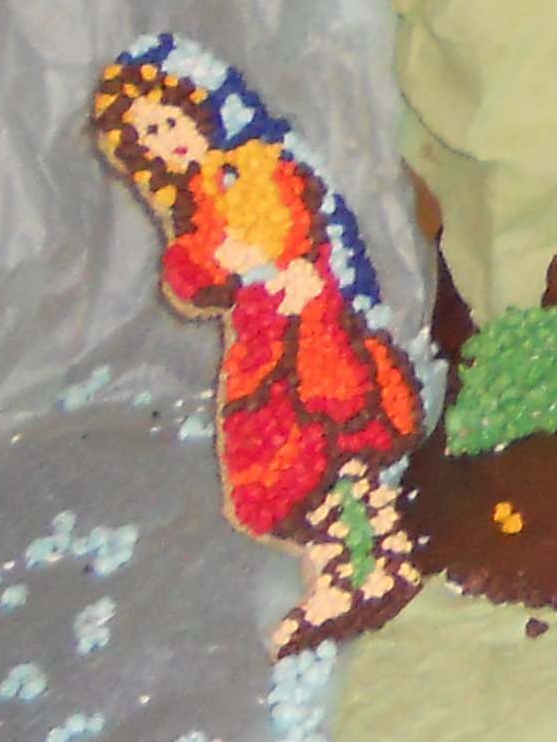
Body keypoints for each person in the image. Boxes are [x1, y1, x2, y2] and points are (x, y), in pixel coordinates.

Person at [87, 34, 426, 654]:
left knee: (334, 447)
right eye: (149, 134)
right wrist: (218, 260)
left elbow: (302, 227)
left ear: (199, 108)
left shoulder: (259, 164)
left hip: (311, 337)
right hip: (259, 350)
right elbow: (189, 276)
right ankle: (342, 571)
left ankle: (375, 561)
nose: (166, 139)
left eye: (170, 121)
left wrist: (282, 265)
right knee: (289, 471)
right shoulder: (194, 201)